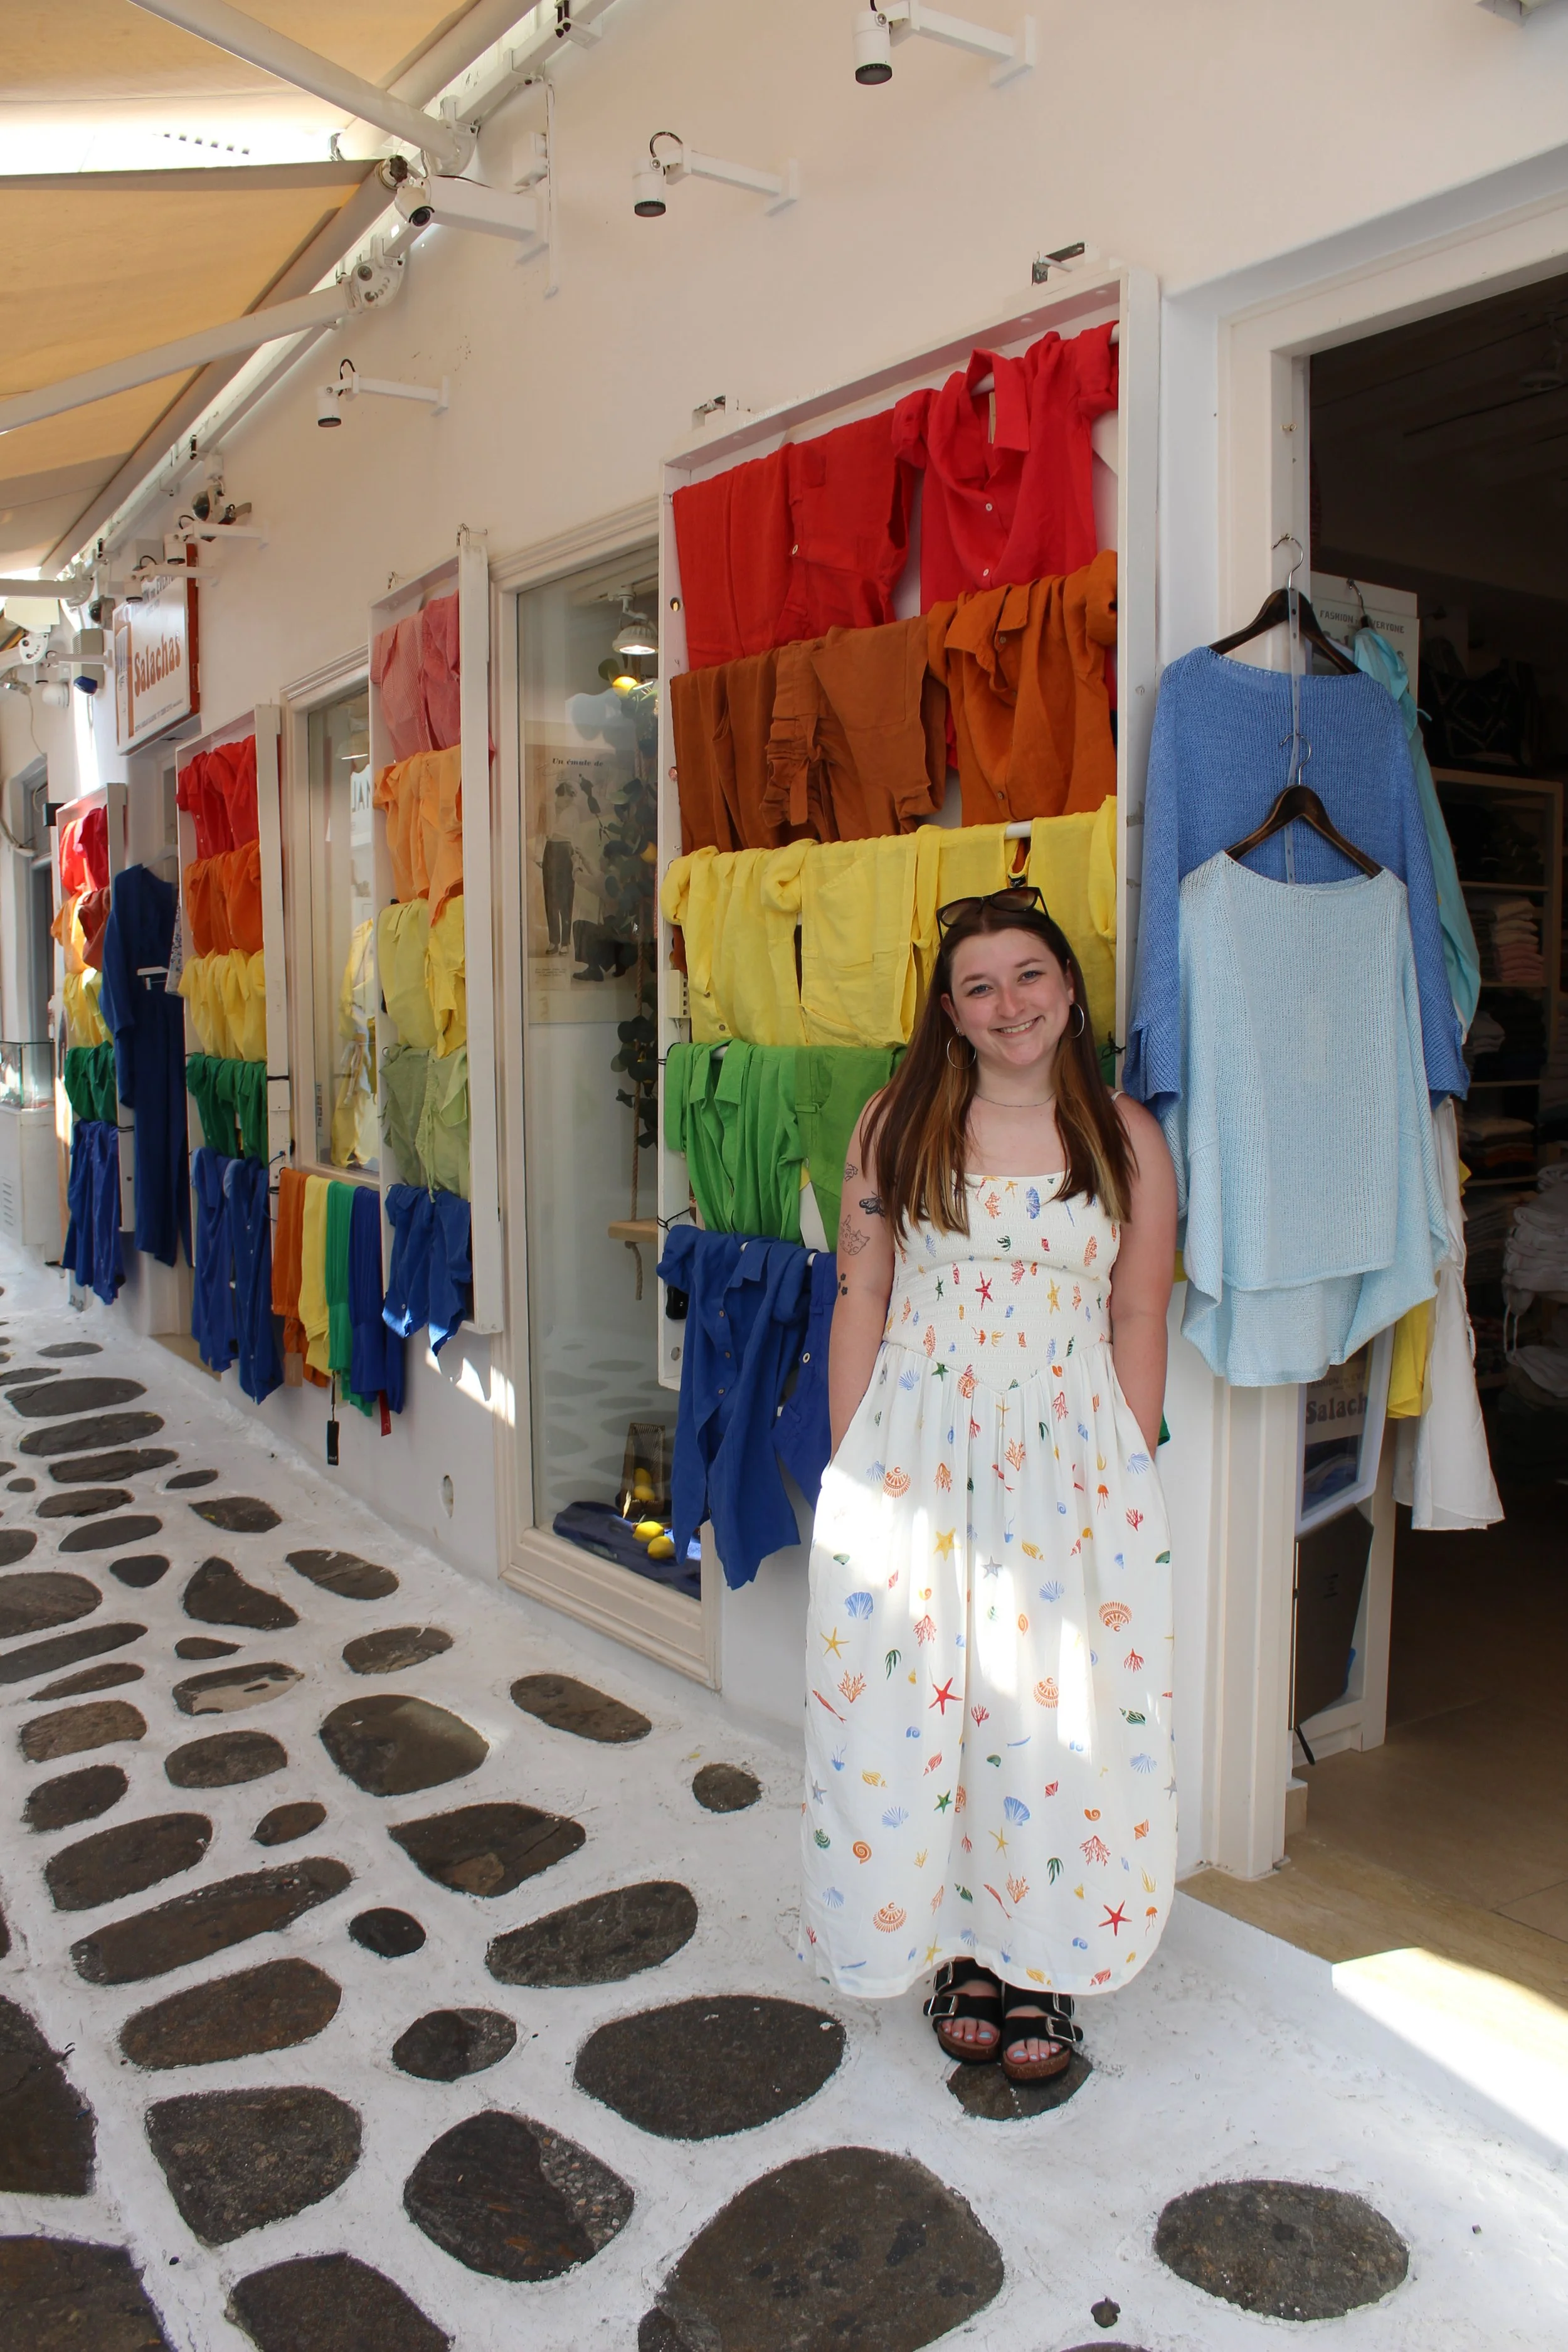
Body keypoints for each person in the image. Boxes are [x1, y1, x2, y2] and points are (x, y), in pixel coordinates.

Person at [798, 884, 1177, 2082]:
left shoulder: (1126, 1138)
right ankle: (961, 1948)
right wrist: (854, 1464)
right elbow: (860, 1292)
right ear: (950, 1013)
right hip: (917, 1447)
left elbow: (1138, 1309)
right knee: (924, 1706)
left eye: (1029, 975)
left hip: (1068, 1460)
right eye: (979, 985)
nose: (1008, 1003)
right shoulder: (894, 1124)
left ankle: (1042, 1952)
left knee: (1049, 1710)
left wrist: (1127, 1468)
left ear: (1069, 988)